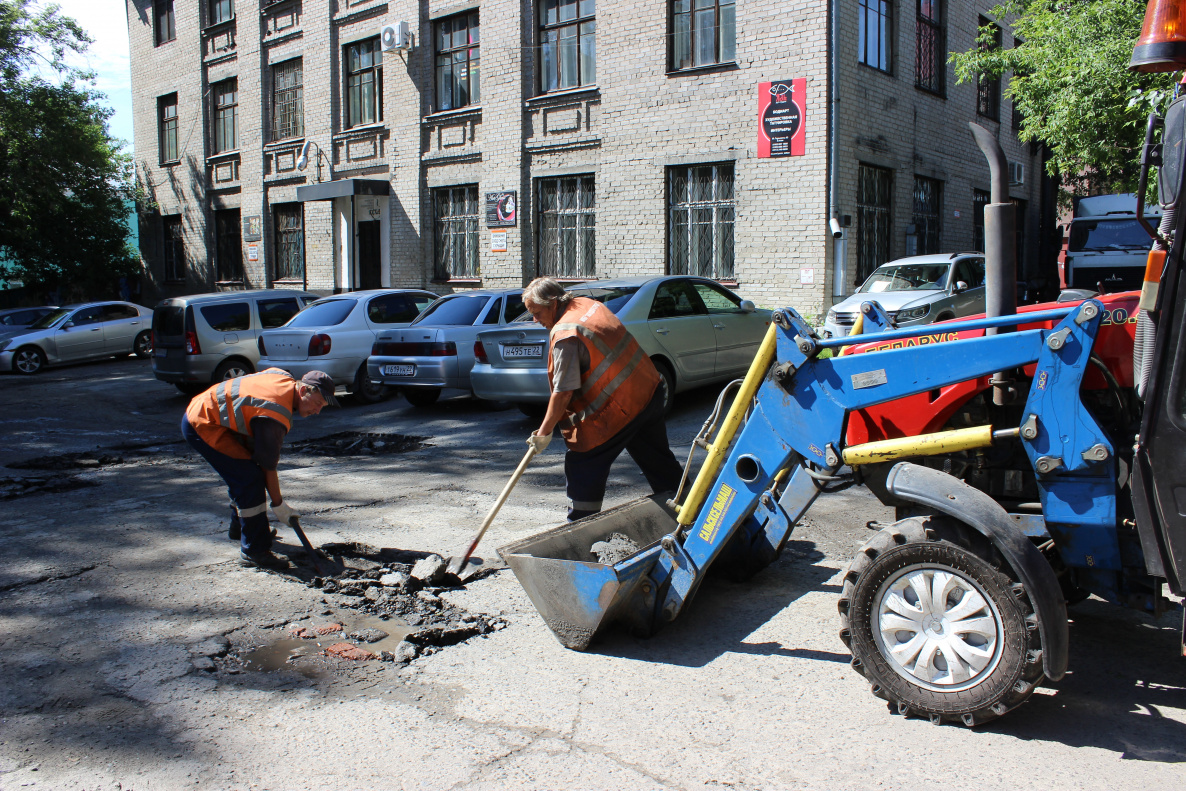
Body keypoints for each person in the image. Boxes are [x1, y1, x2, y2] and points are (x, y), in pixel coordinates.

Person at [523, 277, 683, 520]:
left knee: (583, 464)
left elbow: (563, 391)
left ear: (553, 303)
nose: (535, 320)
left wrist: (543, 432)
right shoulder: (588, 305)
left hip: (618, 411)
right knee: (658, 460)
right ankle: (691, 512)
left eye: (536, 312)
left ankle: (580, 529)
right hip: (647, 393)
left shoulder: (566, 334)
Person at [181, 368, 338, 569]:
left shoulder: (284, 378)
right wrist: (279, 505)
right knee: (250, 480)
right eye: (317, 403)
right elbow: (267, 466)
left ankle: (242, 528)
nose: (318, 411)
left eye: (322, 406)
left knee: (243, 472)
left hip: (215, 413)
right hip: (203, 423)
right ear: (303, 391)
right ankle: (254, 551)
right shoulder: (275, 414)